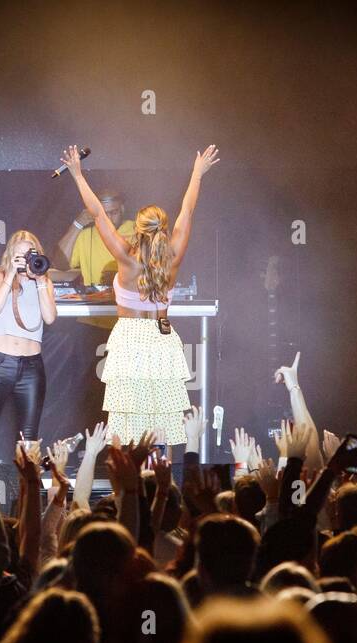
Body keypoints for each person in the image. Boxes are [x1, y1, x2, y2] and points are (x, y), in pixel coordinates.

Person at [59, 143, 220, 445]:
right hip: (161, 339)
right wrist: (198, 174)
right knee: (163, 424)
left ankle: (129, 484)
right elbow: (188, 210)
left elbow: (97, 214)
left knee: (126, 423)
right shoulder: (173, 256)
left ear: (139, 230)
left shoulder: (126, 256)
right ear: (163, 228)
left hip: (130, 339)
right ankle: (162, 483)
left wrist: (77, 175)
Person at [0, 230, 58, 448]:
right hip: (0, 364)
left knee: (29, 440)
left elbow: (49, 317)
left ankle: (27, 482)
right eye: (20, 254)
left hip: (31, 366)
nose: (25, 259)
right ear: (10, 255)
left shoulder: (44, 281)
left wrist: (38, 280)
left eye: (30, 254)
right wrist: (10, 275)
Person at [51, 189, 134, 287]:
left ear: (122, 209)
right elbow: (59, 265)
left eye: (114, 212)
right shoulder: (85, 235)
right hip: (96, 299)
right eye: (104, 214)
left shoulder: (137, 230)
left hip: (129, 298)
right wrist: (77, 224)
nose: (109, 219)